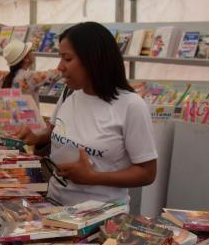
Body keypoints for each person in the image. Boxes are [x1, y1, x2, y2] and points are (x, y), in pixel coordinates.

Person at [14, 22, 157, 206]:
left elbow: (146, 173)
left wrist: (93, 177)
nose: (60, 67)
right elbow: (53, 133)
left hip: (101, 218)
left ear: (93, 59)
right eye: (60, 58)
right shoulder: (69, 94)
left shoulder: (131, 106)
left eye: (67, 59)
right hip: (55, 206)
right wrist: (36, 137)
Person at [1, 39, 62, 105]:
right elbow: (56, 74)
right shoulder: (29, 76)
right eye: (31, 51)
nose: (33, 53)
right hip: (31, 114)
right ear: (26, 59)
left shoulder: (8, 77)